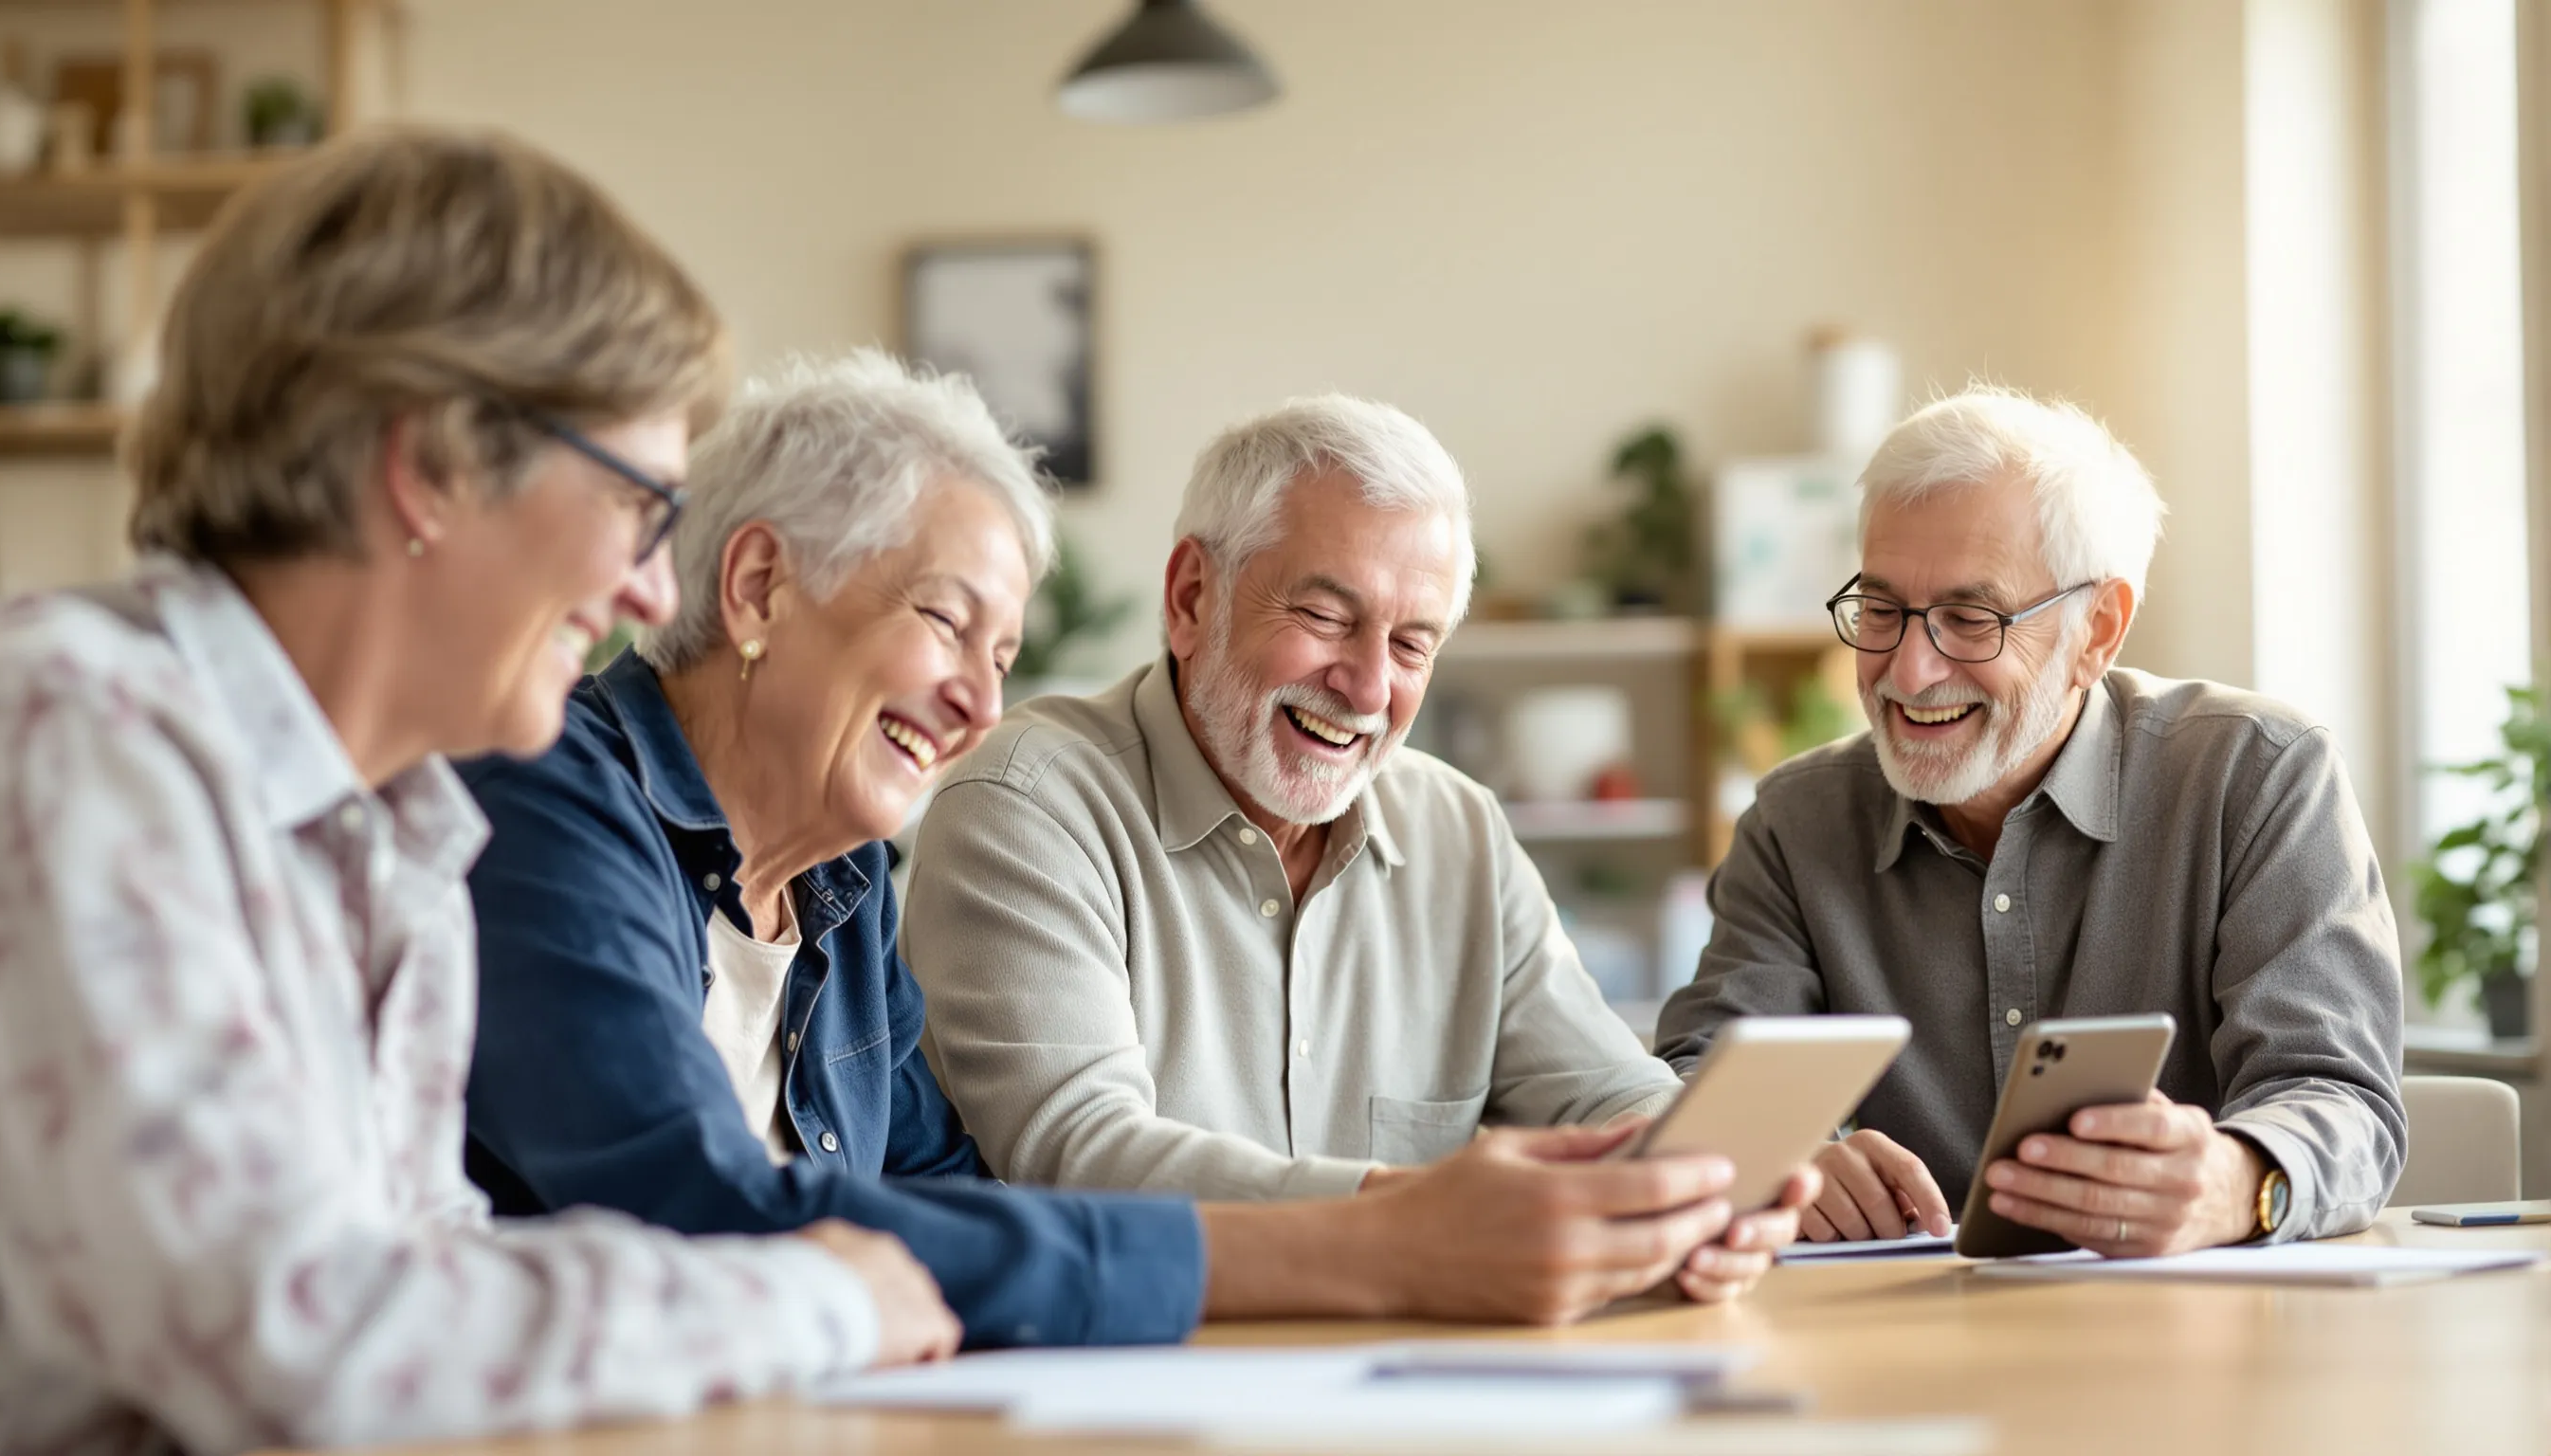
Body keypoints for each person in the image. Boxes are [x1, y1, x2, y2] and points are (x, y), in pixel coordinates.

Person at [0, 127, 962, 1456]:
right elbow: (296, 1331)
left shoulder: (401, 824)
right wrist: (811, 1298)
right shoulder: (66, 732)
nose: (656, 593)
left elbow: (432, 1276)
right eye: (640, 507)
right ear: (428, 464)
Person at [459, 352, 1790, 1338]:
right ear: (756, 589)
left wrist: (1697, 1183)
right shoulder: (551, 796)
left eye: (1002, 651)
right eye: (945, 621)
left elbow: (954, 1199)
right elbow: (710, 1212)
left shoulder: (837, 887)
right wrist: (1390, 1243)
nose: (983, 703)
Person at [904, 394, 1813, 1303]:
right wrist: (1419, 1221)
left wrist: (1708, 1183)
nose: (1370, 685)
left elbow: (1606, 1092)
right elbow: (1078, 1155)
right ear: (1191, 600)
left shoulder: (1461, 831)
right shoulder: (1025, 801)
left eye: (1412, 644)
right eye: (1328, 618)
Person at [1654, 388, 2405, 1255]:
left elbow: (2340, 1099)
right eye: (1883, 609)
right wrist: (1783, 1157)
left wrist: (2237, 1180)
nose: (1910, 668)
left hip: (2188, 1342)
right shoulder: (1796, 823)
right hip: (1886, 1345)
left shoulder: (2258, 774)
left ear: (2099, 630)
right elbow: (1693, 1080)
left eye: (1970, 620)